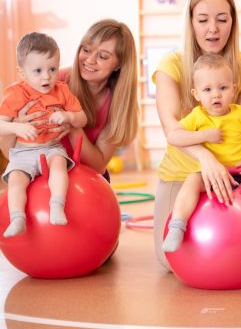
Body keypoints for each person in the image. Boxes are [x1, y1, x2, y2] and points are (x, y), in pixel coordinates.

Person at [153, 0, 241, 269]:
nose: (212, 28)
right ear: (191, 22)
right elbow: (171, 129)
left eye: (222, 19)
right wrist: (205, 158)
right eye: (203, 20)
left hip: (231, 175)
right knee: (170, 263)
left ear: (232, 23)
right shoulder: (172, 66)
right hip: (181, 173)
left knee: (235, 258)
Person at [161, 55, 241, 253]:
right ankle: (176, 228)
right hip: (209, 176)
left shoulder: (240, 114)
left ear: (234, 89)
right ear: (196, 94)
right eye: (207, 90)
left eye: (223, 88)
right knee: (191, 182)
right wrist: (203, 135)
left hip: (240, 173)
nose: (216, 95)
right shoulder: (197, 116)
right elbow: (173, 137)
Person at [0, 19, 139, 181]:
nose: (90, 60)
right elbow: (9, 153)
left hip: (89, 181)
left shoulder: (118, 103)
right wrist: (16, 127)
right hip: (41, 176)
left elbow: (98, 165)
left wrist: (73, 123)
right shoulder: (50, 81)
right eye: (86, 50)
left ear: (119, 65)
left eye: (102, 56)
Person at [0, 32, 87, 237]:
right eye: (38, 71)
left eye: (52, 69)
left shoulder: (62, 91)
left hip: (51, 148)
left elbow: (82, 118)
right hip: (23, 152)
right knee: (16, 180)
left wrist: (68, 116)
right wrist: (16, 128)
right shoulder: (15, 94)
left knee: (58, 164)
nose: (46, 76)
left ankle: (56, 205)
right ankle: (17, 218)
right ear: (22, 72)